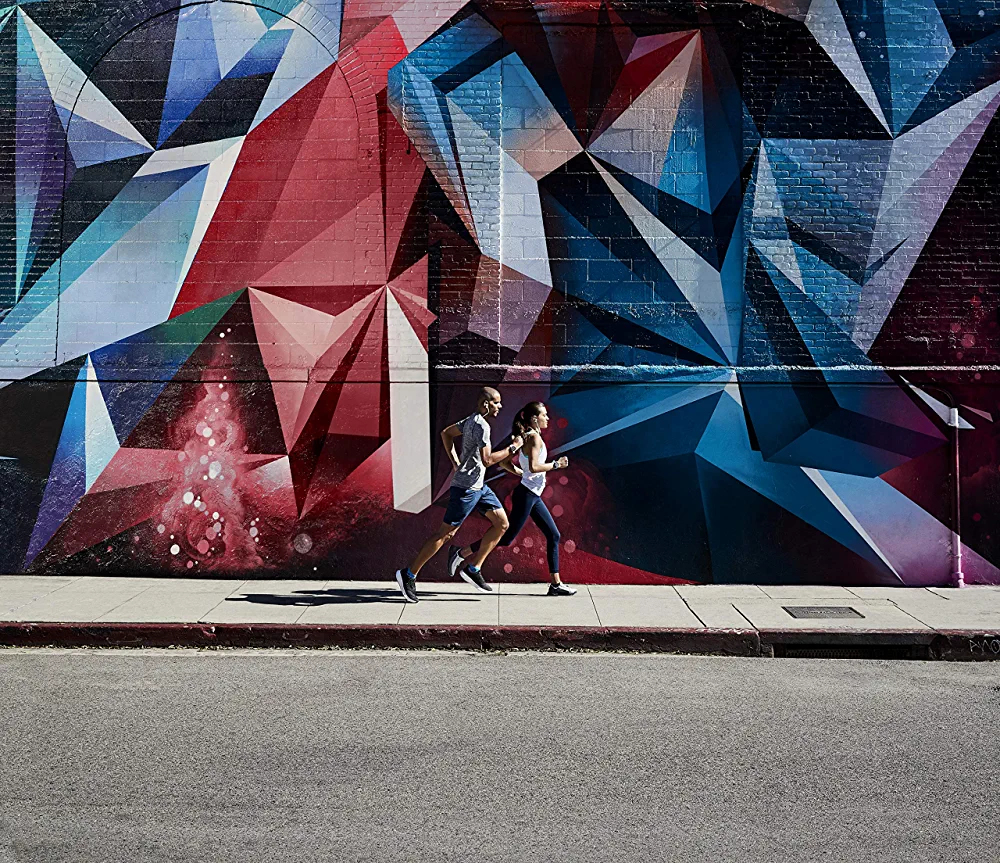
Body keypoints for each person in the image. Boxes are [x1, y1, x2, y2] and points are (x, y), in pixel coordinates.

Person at [394, 387, 523, 603]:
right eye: (496, 402)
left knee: (502, 524)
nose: (500, 406)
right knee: (445, 534)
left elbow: (446, 433)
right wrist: (514, 447)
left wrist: (456, 463)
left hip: (479, 487)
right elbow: (488, 460)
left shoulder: (471, 420)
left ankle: (473, 568)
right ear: (485, 404)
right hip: (466, 489)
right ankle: (408, 574)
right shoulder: (481, 426)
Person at [448, 401, 575, 596]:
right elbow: (534, 467)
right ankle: (463, 554)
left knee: (553, 535)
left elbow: (506, 463)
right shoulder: (533, 438)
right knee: (507, 538)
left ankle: (556, 585)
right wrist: (556, 465)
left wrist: (521, 473)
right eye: (544, 415)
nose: (547, 418)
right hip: (527, 495)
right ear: (534, 419)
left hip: (532, 495)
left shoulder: (526, 437)